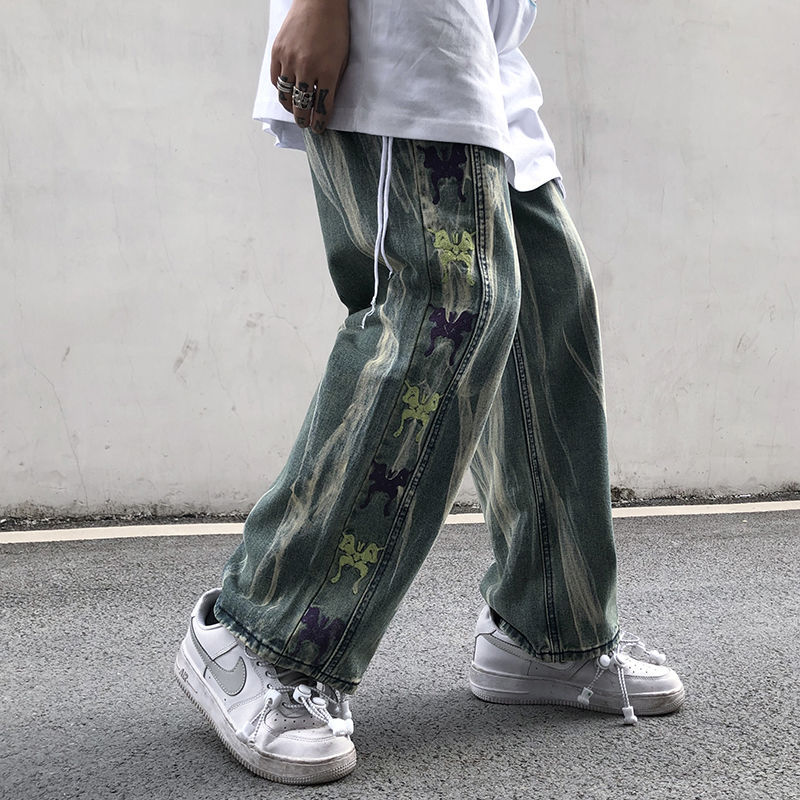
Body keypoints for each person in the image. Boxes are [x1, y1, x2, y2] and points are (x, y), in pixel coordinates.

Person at [174, 0, 684, 785]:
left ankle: (549, 625)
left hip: (484, 38)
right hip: (399, 24)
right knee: (446, 303)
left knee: (548, 302)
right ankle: (262, 635)